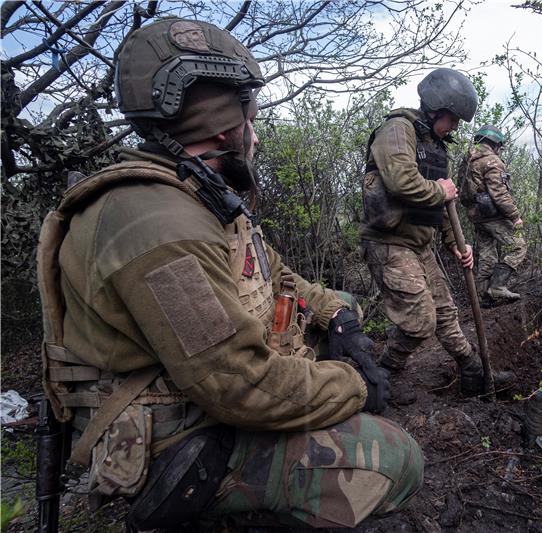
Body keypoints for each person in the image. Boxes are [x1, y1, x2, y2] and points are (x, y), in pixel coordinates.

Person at [36, 18, 422, 531]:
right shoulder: (161, 227)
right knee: (397, 459)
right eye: (250, 115)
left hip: (203, 398)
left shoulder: (195, 196)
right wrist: (353, 385)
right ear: (225, 125)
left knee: (346, 302)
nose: (254, 131)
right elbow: (237, 385)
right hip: (177, 444)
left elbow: (275, 273)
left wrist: (335, 315)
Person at [360, 68, 511, 404]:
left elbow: (443, 205)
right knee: (420, 320)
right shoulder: (397, 129)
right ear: (436, 107)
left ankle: (473, 370)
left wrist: (456, 245)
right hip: (389, 243)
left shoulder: (436, 146)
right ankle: (381, 376)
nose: (455, 127)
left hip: (419, 244)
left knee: (445, 311)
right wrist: (439, 190)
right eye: (452, 118)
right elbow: (401, 181)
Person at [460, 124, 527, 304]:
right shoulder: (492, 161)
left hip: (475, 215)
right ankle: (497, 286)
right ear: (496, 144)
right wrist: (515, 216)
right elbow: (499, 193)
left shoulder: (468, 160)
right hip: (492, 216)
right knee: (519, 246)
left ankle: (483, 297)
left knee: (487, 254)